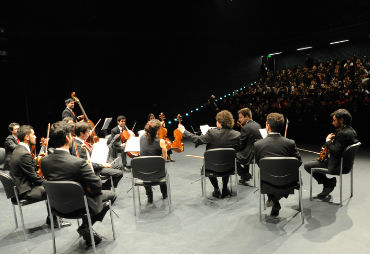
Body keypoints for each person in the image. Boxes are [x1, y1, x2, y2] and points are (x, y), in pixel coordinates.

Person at [41, 121, 116, 247]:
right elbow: (97, 186)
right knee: (112, 195)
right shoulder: (78, 162)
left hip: (58, 207)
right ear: (67, 138)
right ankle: (86, 225)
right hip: (80, 206)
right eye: (71, 135)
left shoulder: (44, 161)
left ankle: (86, 225)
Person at [9, 125, 70, 228]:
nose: (36, 136)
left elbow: (29, 171)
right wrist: (48, 183)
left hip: (20, 187)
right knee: (53, 189)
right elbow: (33, 177)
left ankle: (51, 218)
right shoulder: (24, 154)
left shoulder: (19, 150)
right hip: (25, 191)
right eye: (33, 134)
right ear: (27, 137)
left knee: (49, 185)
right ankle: (55, 220)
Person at [178, 110, 240, 199]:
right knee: (226, 158)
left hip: (211, 168)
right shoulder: (237, 135)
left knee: (209, 162)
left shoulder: (212, 133)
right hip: (229, 168)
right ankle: (225, 189)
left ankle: (216, 189)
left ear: (219, 122)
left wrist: (183, 131)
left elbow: (197, 140)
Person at [254, 113, 302, 217]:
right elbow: (298, 162)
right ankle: (275, 200)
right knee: (277, 175)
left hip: (267, 182)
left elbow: (259, 163)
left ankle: (274, 200)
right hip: (288, 182)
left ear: (268, 126)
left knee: (268, 174)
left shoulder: (258, 144)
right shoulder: (290, 143)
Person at [304, 109, 358, 198]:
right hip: (346, 165)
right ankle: (328, 183)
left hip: (336, 166)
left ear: (341, 120)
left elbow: (336, 151)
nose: (333, 123)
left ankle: (328, 183)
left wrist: (328, 141)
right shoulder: (351, 131)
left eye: (334, 120)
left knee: (307, 165)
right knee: (315, 161)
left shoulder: (343, 134)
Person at [71, 122, 123, 190]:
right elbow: (85, 165)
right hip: (94, 169)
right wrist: (102, 165)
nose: (89, 134)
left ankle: (107, 186)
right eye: (88, 132)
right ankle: (104, 187)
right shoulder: (78, 146)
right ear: (81, 133)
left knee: (119, 166)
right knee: (119, 173)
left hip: (97, 163)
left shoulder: (82, 141)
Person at [139, 119, 169, 203]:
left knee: (146, 168)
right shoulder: (161, 141)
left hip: (143, 174)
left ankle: (149, 195)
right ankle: (164, 194)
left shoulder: (141, 138)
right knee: (162, 169)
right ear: (158, 130)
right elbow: (164, 160)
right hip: (157, 173)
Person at [236, 108, 262, 185]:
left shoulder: (245, 127)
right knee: (244, 149)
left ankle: (244, 174)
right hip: (257, 153)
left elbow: (241, 144)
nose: (239, 119)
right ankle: (246, 174)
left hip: (249, 155)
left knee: (231, 154)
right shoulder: (257, 125)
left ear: (246, 117)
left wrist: (234, 147)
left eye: (240, 117)